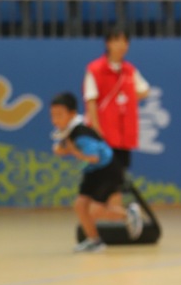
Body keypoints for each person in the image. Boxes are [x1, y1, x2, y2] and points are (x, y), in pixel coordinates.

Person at [50, 92, 140, 253]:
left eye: (59, 115)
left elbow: (94, 157)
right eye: (53, 115)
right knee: (80, 205)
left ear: (71, 114)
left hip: (107, 170)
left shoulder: (81, 134)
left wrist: (72, 151)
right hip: (92, 171)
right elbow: (64, 148)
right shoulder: (69, 131)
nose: (55, 120)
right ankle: (94, 241)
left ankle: (128, 214)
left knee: (95, 211)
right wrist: (64, 150)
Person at [83, 27, 150, 184]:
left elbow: (145, 90)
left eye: (125, 41)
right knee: (100, 178)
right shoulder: (95, 69)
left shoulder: (129, 70)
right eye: (117, 40)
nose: (121, 45)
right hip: (104, 134)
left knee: (119, 177)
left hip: (124, 134)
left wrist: (127, 98)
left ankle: (118, 206)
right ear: (108, 43)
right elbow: (90, 100)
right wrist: (96, 130)